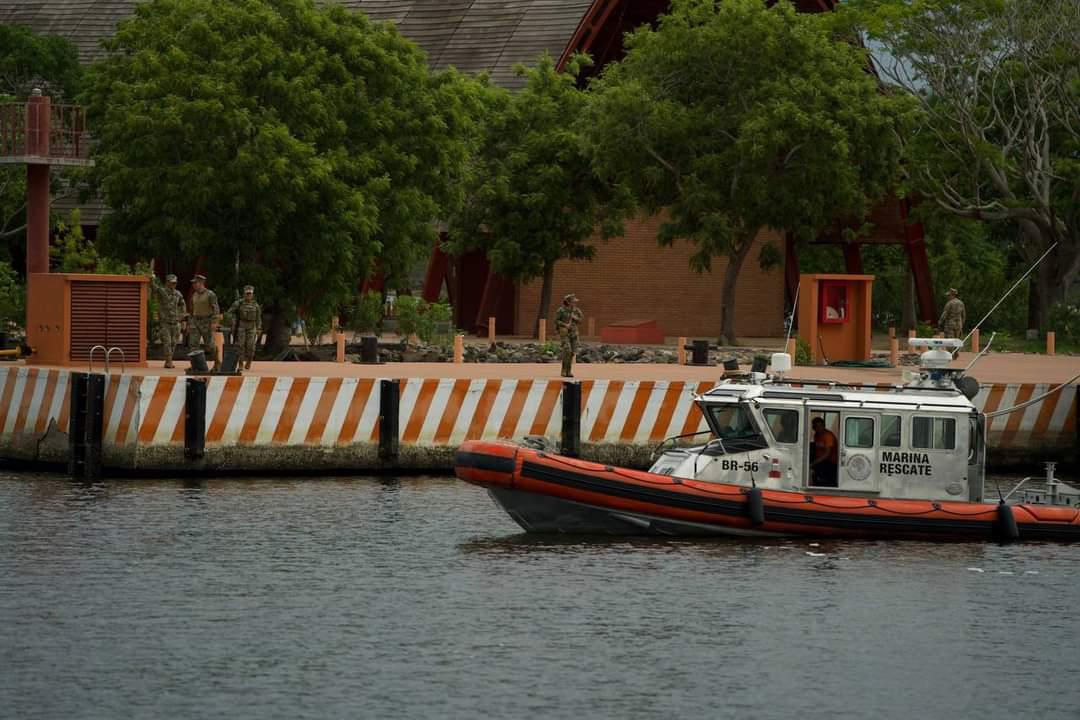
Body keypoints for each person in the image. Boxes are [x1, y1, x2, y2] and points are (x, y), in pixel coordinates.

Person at [150, 273, 187, 369]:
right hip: (165, 322)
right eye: (172, 283)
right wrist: (152, 279)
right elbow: (154, 288)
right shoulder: (162, 291)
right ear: (167, 283)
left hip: (175, 322)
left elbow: (182, 305)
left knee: (174, 343)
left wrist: (182, 316)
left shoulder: (178, 294)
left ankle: (169, 360)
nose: (174, 285)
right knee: (167, 342)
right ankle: (169, 361)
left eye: (175, 283)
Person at [188, 274, 221, 371]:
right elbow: (192, 309)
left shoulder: (210, 294)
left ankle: (217, 363)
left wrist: (215, 322)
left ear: (201, 283)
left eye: (195, 283)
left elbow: (216, 308)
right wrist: (190, 322)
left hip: (207, 321)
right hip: (195, 321)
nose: (194, 285)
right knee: (193, 344)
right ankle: (195, 366)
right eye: (193, 283)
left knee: (210, 345)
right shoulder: (194, 294)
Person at [225, 285, 262, 370]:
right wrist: (233, 321)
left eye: (250, 294)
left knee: (251, 346)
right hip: (241, 326)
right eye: (247, 294)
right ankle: (240, 363)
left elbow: (258, 318)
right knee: (240, 345)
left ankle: (249, 360)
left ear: (252, 294)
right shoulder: (238, 303)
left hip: (252, 327)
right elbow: (229, 313)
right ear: (244, 294)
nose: (248, 295)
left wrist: (259, 328)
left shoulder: (256, 305)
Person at [555, 293, 584, 378]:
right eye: (573, 302)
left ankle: (569, 371)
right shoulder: (561, 310)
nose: (574, 303)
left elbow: (581, 320)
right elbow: (556, 321)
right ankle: (564, 370)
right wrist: (564, 325)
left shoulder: (576, 310)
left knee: (572, 352)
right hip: (565, 333)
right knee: (567, 350)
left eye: (575, 302)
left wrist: (574, 317)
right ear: (568, 302)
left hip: (574, 333)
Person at [810, 417, 838, 487]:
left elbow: (827, 454)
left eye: (820, 426)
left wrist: (813, 463)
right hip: (820, 461)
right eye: (816, 426)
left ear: (824, 426)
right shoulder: (816, 435)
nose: (818, 428)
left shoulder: (828, 436)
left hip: (830, 462)